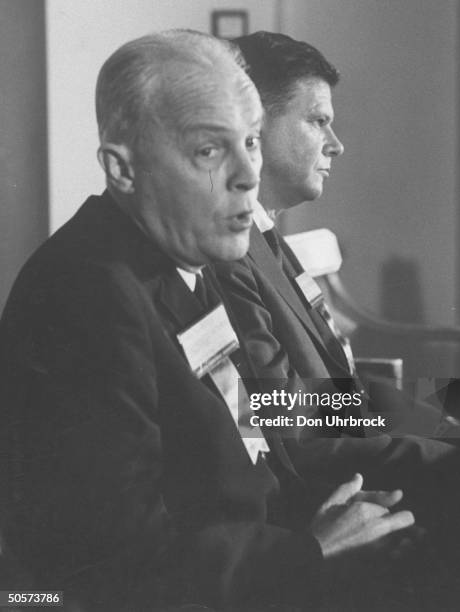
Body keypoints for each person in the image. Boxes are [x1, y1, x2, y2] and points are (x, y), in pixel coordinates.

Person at [0, 30, 415, 611]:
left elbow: (256, 431)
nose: (250, 172)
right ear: (123, 169)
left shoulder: (189, 257)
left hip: (279, 533)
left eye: (251, 141)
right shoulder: (89, 292)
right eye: (209, 151)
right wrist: (310, 550)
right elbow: (110, 567)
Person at [214, 31, 460, 609]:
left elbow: (345, 394)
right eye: (317, 121)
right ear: (254, 128)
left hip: (369, 453)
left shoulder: (266, 238)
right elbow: (278, 416)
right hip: (342, 495)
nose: (336, 145)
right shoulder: (229, 255)